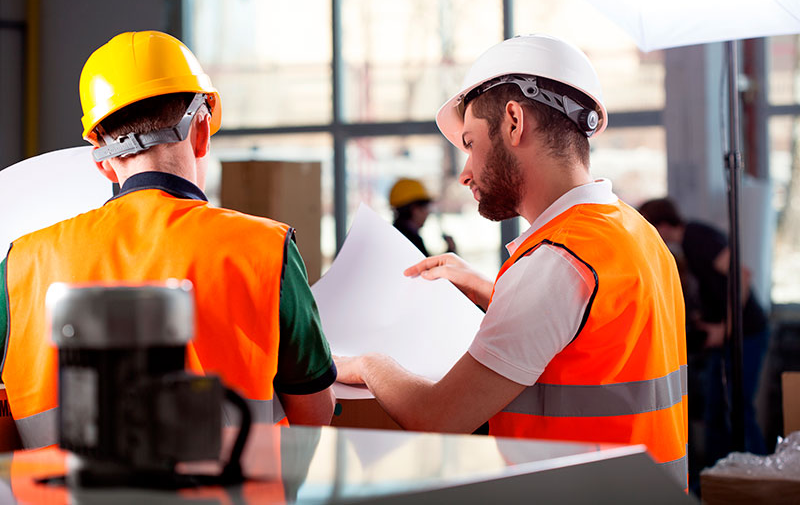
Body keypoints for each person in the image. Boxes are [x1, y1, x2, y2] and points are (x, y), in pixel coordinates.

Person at [335, 34, 688, 489]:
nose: (465, 172)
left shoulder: (557, 262)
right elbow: (591, 336)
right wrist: (492, 288)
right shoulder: (633, 231)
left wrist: (367, 364)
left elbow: (439, 416)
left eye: (470, 142)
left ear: (514, 121)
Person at [0, 30, 336, 449]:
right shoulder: (267, 248)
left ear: (102, 162)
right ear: (202, 129)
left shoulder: (20, 263)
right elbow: (314, 417)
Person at [638, 198, 769, 470]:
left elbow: (741, 276)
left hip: (748, 333)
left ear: (661, 225)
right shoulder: (687, 247)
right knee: (716, 410)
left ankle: (761, 478)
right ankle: (718, 477)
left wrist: (727, 329)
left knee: (738, 407)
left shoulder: (697, 237)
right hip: (728, 334)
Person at [389, 178, 456, 256]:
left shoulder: (395, 236)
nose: (428, 212)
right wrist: (450, 252)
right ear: (415, 209)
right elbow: (425, 267)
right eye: (426, 207)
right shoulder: (410, 241)